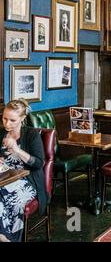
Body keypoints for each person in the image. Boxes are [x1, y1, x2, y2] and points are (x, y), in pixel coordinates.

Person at [0, 99, 46, 242]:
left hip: (27, 181)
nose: (7, 123)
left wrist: (16, 149)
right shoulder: (1, 133)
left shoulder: (31, 134)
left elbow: (38, 163)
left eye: (12, 120)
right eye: (4, 118)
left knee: (7, 197)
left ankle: (8, 237)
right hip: (4, 179)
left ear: (22, 118)